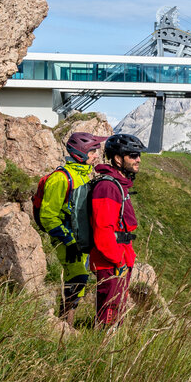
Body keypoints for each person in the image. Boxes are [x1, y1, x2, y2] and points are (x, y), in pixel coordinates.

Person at [38, 131, 107, 326]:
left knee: (79, 281)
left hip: (81, 241)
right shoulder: (60, 178)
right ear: (80, 153)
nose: (96, 155)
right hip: (67, 241)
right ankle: (63, 324)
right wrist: (68, 240)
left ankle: (67, 322)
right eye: (92, 151)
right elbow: (47, 216)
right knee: (77, 278)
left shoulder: (83, 175)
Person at [90, 133, 145, 328]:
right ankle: (103, 344)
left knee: (116, 309)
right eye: (133, 155)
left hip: (119, 257)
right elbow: (102, 230)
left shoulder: (118, 185)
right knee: (110, 312)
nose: (138, 159)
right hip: (111, 261)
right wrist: (118, 261)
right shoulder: (108, 187)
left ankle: (107, 340)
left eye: (139, 155)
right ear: (118, 159)